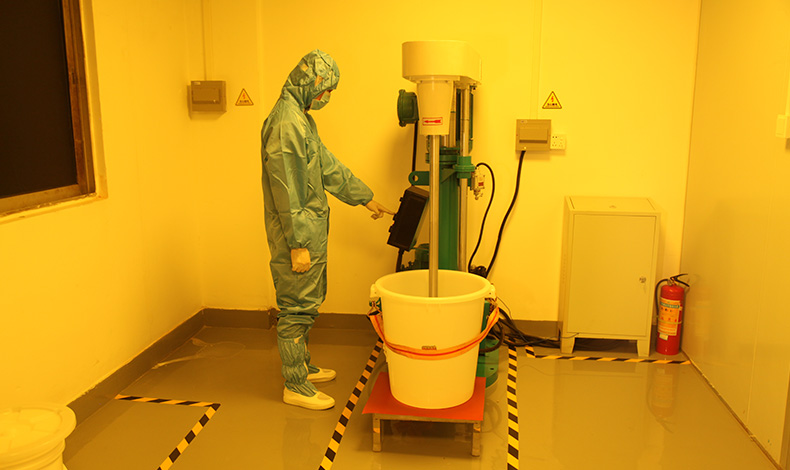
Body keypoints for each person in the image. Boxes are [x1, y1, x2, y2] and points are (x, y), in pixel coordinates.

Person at [260, 50, 393, 410]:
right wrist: (298, 244)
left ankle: (301, 365)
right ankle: (295, 384)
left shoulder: (300, 119)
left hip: (310, 229)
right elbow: (286, 189)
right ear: (311, 83)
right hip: (298, 234)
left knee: (309, 301)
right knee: (296, 308)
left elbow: (326, 165)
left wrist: (364, 197)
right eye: (326, 89)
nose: (327, 97)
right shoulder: (285, 124)